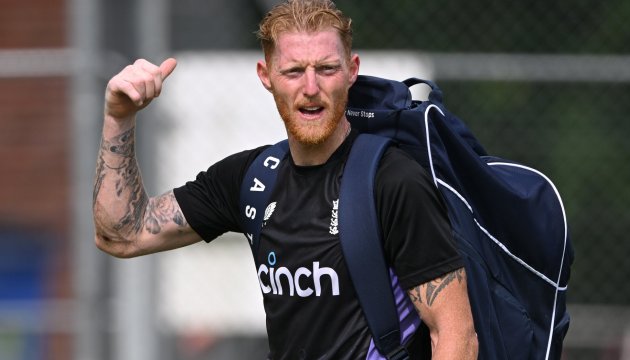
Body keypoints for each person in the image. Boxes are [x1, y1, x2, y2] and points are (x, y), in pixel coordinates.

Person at [93, 0, 478, 358]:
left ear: (351, 71)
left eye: (326, 69)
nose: (311, 89)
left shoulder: (392, 180)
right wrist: (118, 116)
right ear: (266, 76)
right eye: (294, 71)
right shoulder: (252, 178)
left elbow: (455, 334)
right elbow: (121, 233)